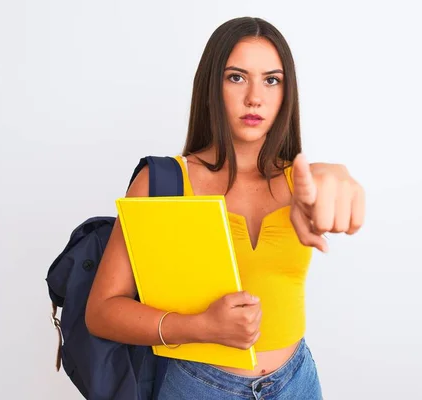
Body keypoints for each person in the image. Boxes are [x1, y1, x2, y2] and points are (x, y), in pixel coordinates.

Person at [85, 16, 365, 399]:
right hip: (199, 387)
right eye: (236, 77)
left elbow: (331, 181)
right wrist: (200, 327)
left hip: (297, 382)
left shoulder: (300, 183)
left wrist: (338, 173)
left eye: (272, 80)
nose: (255, 97)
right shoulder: (164, 183)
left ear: (287, 92)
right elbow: (101, 312)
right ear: (211, 86)